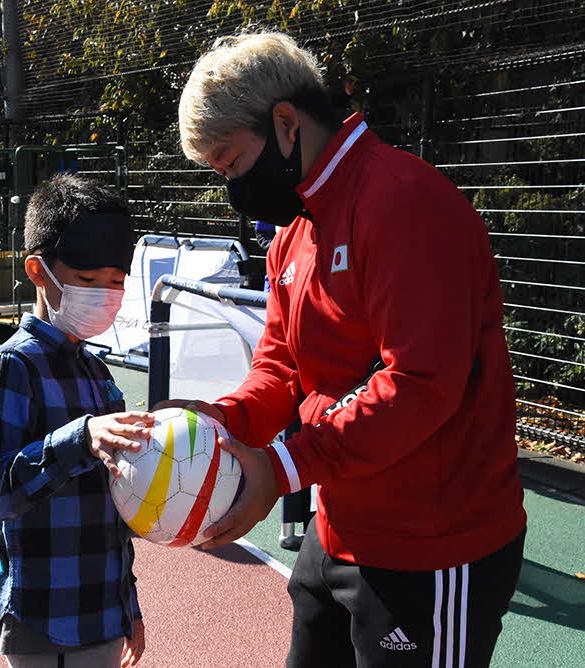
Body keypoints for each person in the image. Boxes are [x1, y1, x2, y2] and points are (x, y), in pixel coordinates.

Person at [165, 31, 526, 667]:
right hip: (338, 527)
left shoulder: (403, 203)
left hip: (432, 544)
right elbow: (280, 366)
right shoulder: (292, 233)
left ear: (284, 124)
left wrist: (279, 468)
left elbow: (418, 382)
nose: (232, 188)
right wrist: (221, 421)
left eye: (231, 161)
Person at [0, 174, 149, 668]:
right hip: (38, 609)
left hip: (101, 610)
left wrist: (128, 604)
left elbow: (113, 506)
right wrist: (80, 439)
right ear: (38, 271)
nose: (105, 296)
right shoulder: (15, 367)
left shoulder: (99, 374)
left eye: (116, 283)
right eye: (89, 282)